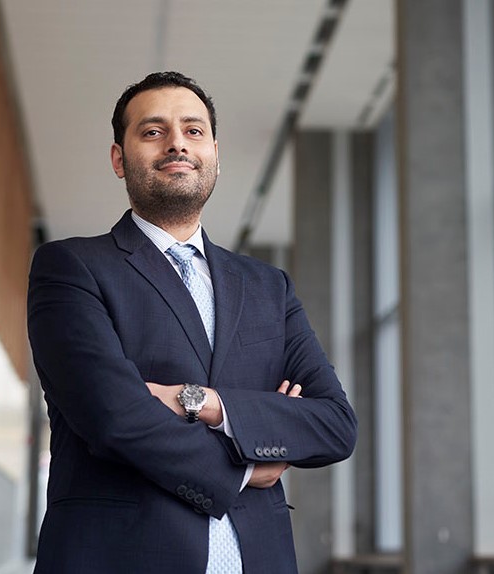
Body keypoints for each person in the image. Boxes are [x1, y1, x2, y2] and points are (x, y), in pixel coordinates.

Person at [27, 71, 357, 573]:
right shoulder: (72, 268)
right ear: (120, 159)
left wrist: (203, 402)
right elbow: (115, 417)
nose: (177, 143)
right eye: (153, 131)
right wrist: (248, 463)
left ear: (215, 156)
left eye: (193, 130)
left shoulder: (268, 286)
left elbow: (334, 424)